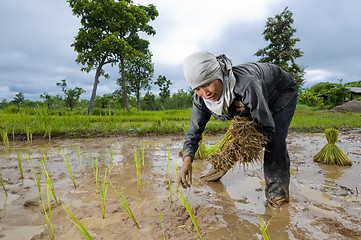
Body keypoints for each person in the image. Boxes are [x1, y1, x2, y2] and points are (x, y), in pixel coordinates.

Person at [176, 51, 298, 206]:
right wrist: (187, 161)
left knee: (274, 142)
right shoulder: (201, 99)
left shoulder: (245, 85)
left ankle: (278, 196)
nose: (205, 93)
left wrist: (237, 152)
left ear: (219, 76)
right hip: (250, 99)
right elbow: (194, 131)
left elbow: (266, 128)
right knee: (239, 129)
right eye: (197, 88)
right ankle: (220, 167)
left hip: (280, 92)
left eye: (207, 84)